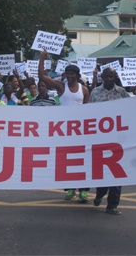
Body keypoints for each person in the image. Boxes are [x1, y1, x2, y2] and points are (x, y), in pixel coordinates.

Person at [38, 49, 90, 202]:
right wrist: (42, 58)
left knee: (83, 160)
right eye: (68, 73)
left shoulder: (85, 90)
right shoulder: (61, 86)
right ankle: (71, 189)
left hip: (81, 131)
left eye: (72, 74)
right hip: (64, 131)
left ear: (77, 75)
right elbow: (41, 76)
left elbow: (88, 110)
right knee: (67, 161)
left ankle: (84, 191)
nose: (70, 76)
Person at [89, 67, 129, 215]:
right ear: (102, 77)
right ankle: (100, 193)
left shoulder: (122, 92)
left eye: (111, 76)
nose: (108, 79)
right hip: (100, 139)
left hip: (117, 140)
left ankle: (112, 205)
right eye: (106, 76)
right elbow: (89, 114)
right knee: (102, 171)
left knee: (116, 172)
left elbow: (132, 109)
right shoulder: (95, 92)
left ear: (115, 76)